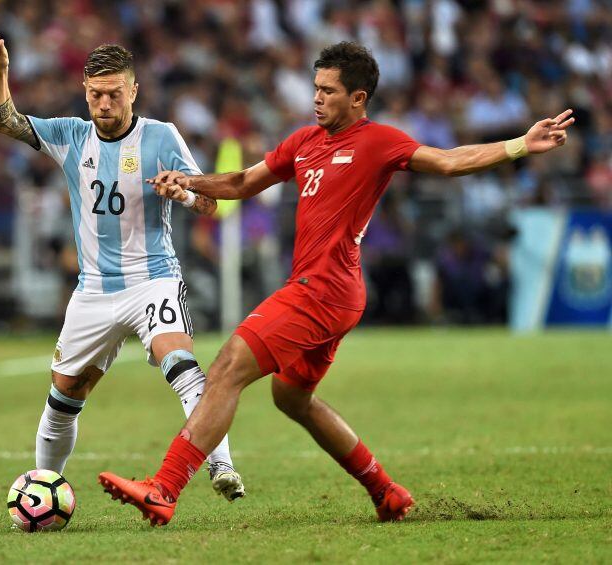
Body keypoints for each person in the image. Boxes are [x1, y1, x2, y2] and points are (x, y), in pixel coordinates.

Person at [98, 41, 574, 526]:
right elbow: (243, 182)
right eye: (315, 88)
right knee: (291, 398)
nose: (317, 98)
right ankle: (386, 491)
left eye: (328, 90)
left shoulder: (379, 142)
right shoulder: (304, 141)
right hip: (329, 291)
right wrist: (191, 182)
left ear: (358, 98)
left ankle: (163, 488)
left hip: (323, 289)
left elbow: (450, 161)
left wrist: (519, 145)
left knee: (226, 369)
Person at [0, 37, 245, 500]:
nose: (104, 103)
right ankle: (43, 488)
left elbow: (207, 204)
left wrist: (181, 189)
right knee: (64, 398)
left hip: (152, 280)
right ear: (84, 90)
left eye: (114, 93)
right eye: (96, 93)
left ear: (134, 91)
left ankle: (222, 467)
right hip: (93, 292)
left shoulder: (162, 137)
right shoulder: (70, 136)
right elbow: (6, 122)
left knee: (179, 363)